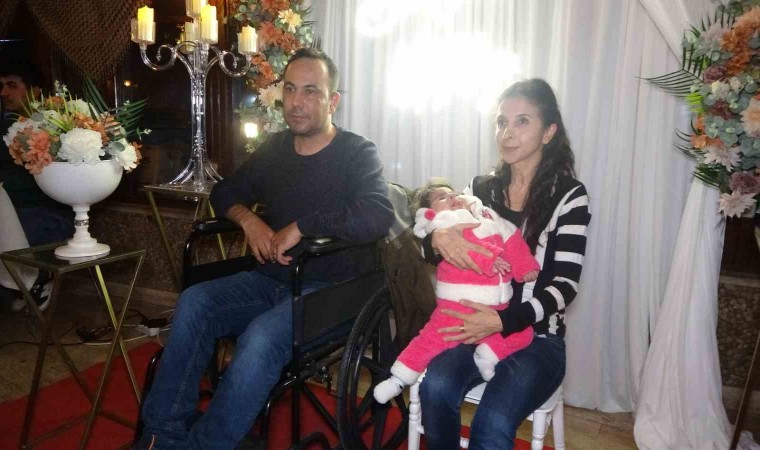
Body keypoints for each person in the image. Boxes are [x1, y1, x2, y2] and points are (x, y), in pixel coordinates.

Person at [135, 48, 395, 450]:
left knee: (261, 338)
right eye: (290, 89)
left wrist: (303, 226)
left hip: (331, 292)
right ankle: (162, 435)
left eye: (310, 91)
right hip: (270, 280)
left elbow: (377, 215)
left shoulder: (357, 153)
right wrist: (249, 220)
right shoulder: (275, 150)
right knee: (194, 301)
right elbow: (225, 192)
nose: (296, 101)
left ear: (333, 101)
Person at [419, 79, 591, 450]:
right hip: (473, 326)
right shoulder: (480, 190)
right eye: (501, 122)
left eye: (522, 121)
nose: (507, 133)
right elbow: (443, 245)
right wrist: (437, 237)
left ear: (549, 132)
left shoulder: (570, 196)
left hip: (538, 338)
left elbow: (565, 286)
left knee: (492, 421)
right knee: (435, 388)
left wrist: (503, 321)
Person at [373, 182, 539, 404]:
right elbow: (467, 247)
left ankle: (488, 354)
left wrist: (524, 266)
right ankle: (397, 380)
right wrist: (491, 260)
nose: (452, 197)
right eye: (442, 197)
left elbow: (512, 238)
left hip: (496, 309)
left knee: (524, 332)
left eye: (453, 193)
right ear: (430, 211)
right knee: (428, 341)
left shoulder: (485, 216)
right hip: (455, 307)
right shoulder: (447, 222)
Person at [0, 60, 74, 311]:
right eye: (1, 86)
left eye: (12, 85)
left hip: (45, 213)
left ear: (34, 91)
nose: (4, 93)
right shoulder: (9, 123)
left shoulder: (51, 126)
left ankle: (37, 279)